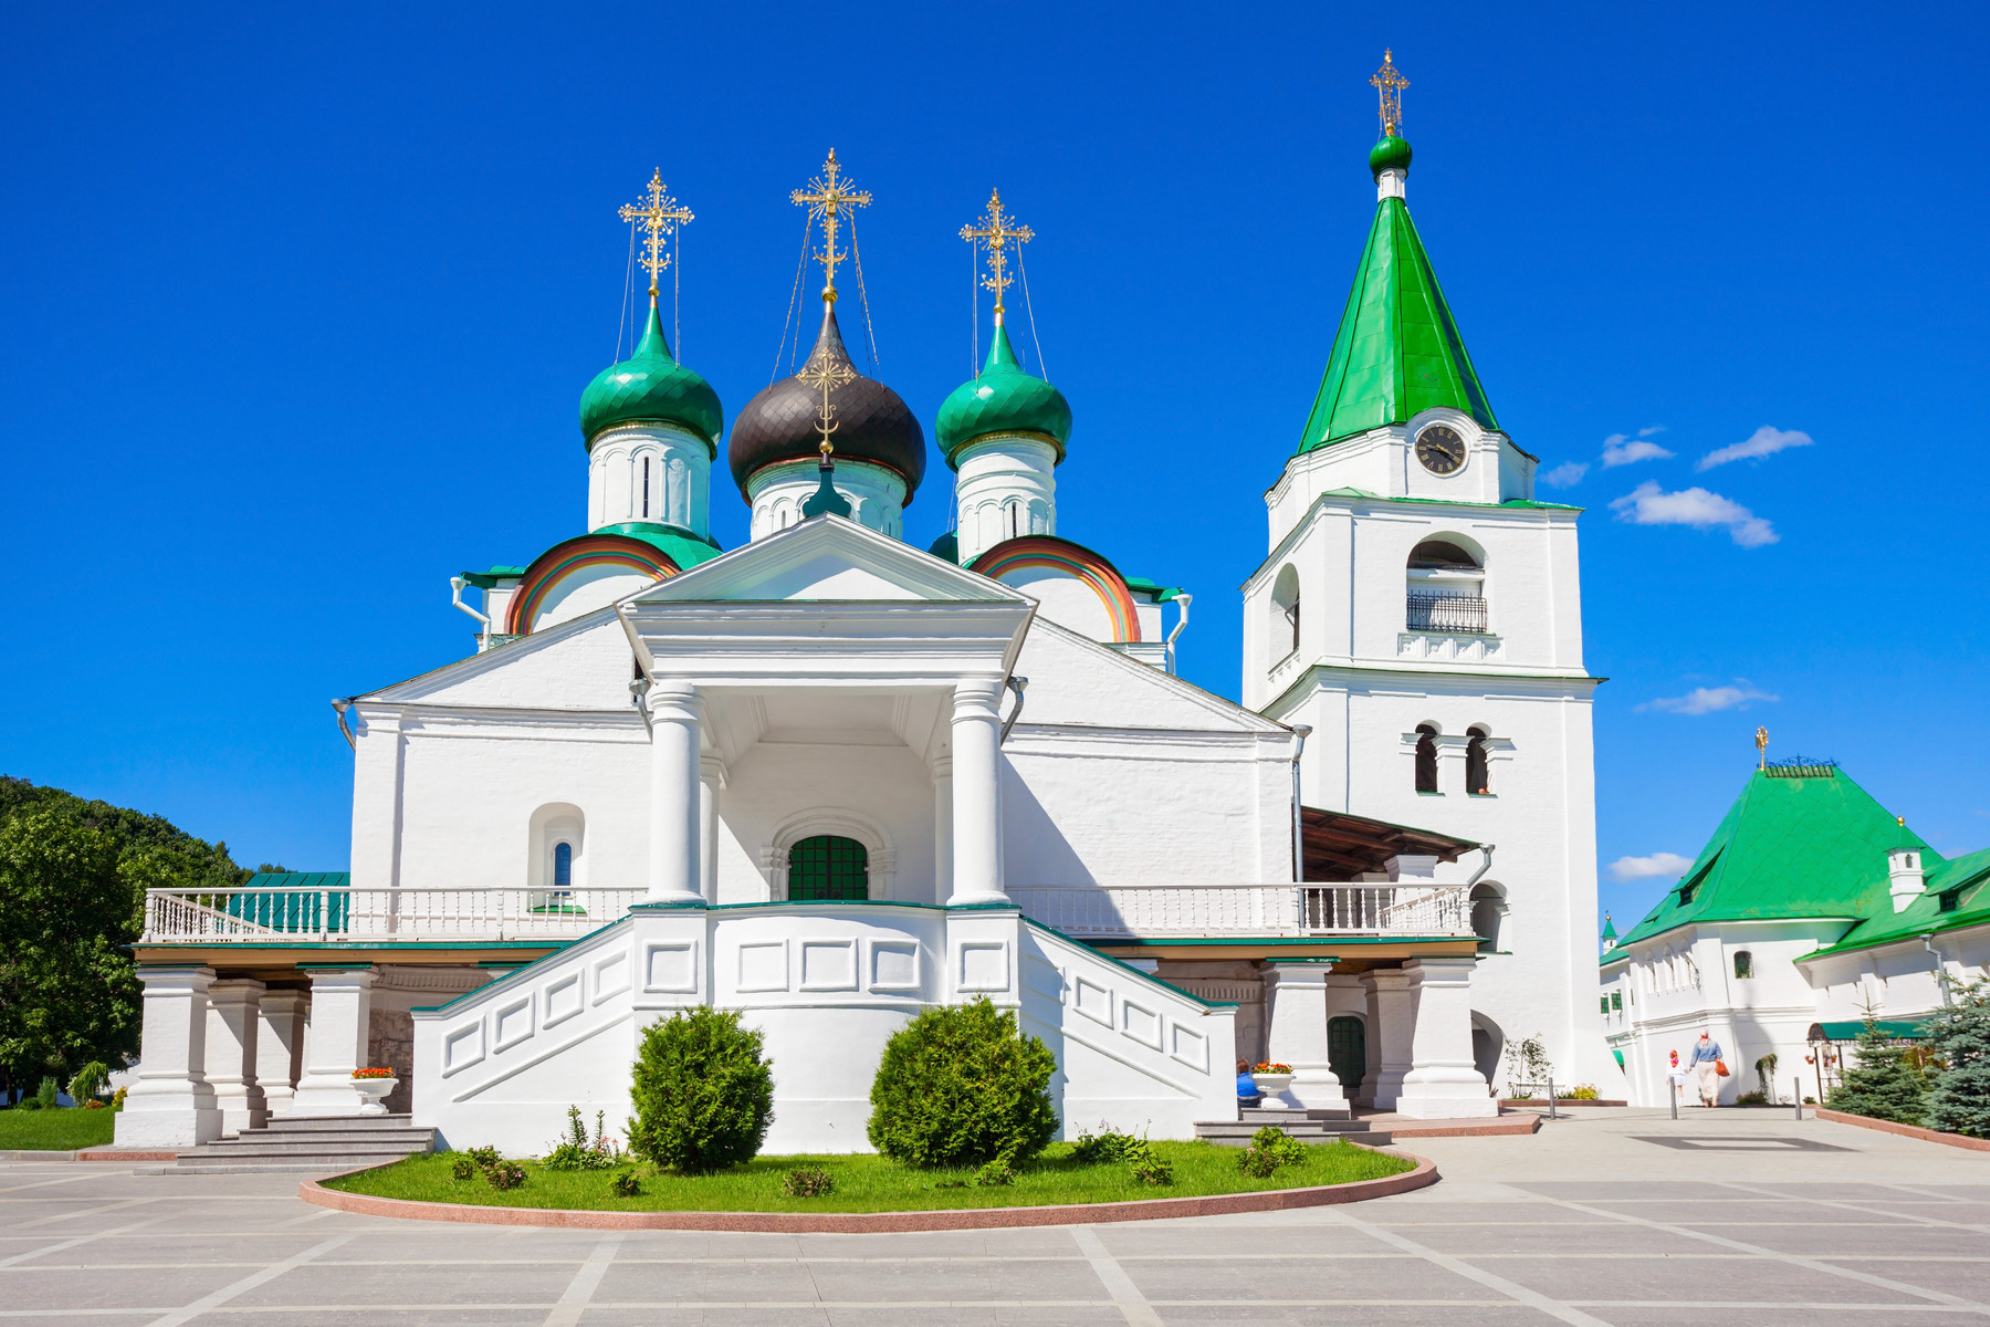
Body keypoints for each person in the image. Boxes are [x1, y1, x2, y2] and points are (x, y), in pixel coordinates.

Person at [1684, 1031, 1725, 1107]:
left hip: (1702, 1065)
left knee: (1704, 1082)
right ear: (1707, 1035)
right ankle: (1714, 1101)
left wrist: (1691, 1066)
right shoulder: (1714, 1043)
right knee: (1714, 1083)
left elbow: (1695, 1056)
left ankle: (1706, 1102)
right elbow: (1719, 1054)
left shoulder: (1698, 1045)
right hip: (1713, 1064)